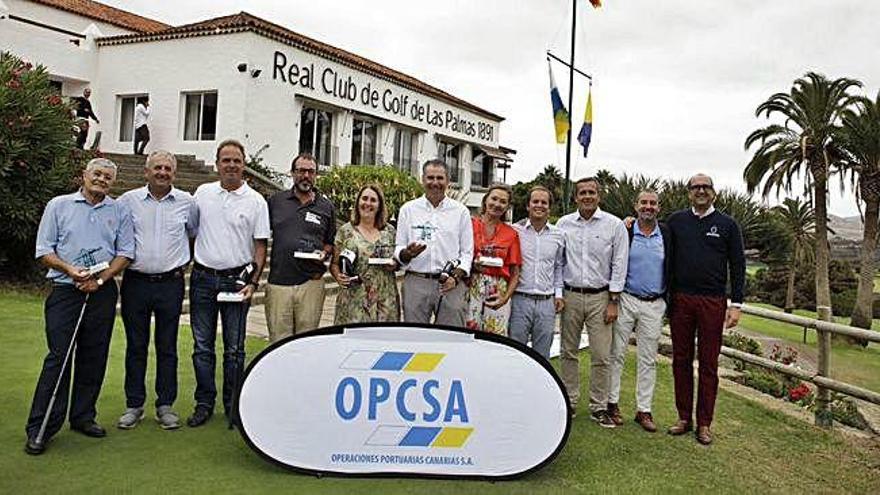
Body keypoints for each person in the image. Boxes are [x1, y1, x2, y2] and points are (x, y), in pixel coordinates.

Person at [25, 158, 134, 455]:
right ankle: (41, 427)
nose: (101, 180)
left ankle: (83, 416)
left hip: (102, 291)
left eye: (107, 177)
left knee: (94, 355)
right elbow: (44, 250)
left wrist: (100, 280)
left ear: (113, 182)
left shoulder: (119, 209)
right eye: (96, 174)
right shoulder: (59, 205)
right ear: (84, 176)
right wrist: (70, 270)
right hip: (65, 289)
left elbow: (125, 252)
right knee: (59, 356)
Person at [187, 139, 269, 428]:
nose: (231, 165)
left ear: (244, 164)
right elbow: (192, 231)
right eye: (226, 160)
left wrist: (254, 283)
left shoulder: (256, 200)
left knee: (235, 350)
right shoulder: (202, 193)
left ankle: (232, 405)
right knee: (202, 347)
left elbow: (260, 247)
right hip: (203, 279)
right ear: (217, 163)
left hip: (237, 281)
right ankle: (204, 403)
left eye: (236, 160)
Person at [116, 150, 198, 431]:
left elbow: (193, 233)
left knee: (167, 347)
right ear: (146, 171)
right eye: (157, 168)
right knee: (136, 346)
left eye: (168, 169)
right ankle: (134, 404)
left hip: (170, 284)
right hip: (136, 283)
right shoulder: (128, 201)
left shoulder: (187, 202)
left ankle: (165, 405)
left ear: (174, 173)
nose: (163, 172)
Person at [666, 174, 745, 445]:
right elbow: (654, 239)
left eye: (705, 187)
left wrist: (736, 304)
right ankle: (684, 418)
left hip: (713, 301)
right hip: (681, 300)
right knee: (681, 361)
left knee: (709, 364)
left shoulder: (727, 225)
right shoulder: (676, 222)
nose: (700, 191)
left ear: (713, 192)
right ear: (688, 193)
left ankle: (705, 423)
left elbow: (738, 266)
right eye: (695, 187)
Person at [556, 177, 628, 426]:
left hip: (601, 297)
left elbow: (620, 263)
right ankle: (569, 401)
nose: (587, 196)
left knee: (601, 355)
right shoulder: (563, 224)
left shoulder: (614, 225)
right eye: (582, 193)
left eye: (591, 192)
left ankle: (598, 406)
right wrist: (558, 294)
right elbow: (559, 262)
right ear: (576, 197)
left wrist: (614, 301)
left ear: (599, 196)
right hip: (570, 295)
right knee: (568, 352)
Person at [607, 191, 672, 432]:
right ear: (635, 206)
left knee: (648, 359)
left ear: (659, 207)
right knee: (617, 354)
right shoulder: (625, 230)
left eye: (652, 203)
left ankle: (643, 410)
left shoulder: (666, 233)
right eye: (644, 202)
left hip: (654, 303)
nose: (648, 207)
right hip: (626, 298)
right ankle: (611, 403)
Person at [265, 153, 336, 341]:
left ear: (316, 175)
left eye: (311, 172)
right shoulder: (275, 202)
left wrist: (324, 253)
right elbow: (260, 238)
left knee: (307, 342)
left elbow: (330, 242)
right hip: (279, 283)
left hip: (311, 283)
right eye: (301, 171)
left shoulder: (326, 207)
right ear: (292, 173)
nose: (306, 176)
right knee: (278, 342)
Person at [395, 159, 473, 326]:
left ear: (448, 181)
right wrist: (407, 254)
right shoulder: (408, 210)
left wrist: (455, 277)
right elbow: (399, 247)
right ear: (422, 179)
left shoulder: (461, 212)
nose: (435, 182)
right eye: (430, 178)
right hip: (416, 281)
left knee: (450, 338)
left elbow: (467, 253)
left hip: (450, 284)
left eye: (440, 178)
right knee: (414, 337)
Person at [330, 184, 401, 324]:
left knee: (383, 342)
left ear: (379, 205)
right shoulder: (346, 231)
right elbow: (334, 264)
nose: (368, 203)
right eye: (364, 199)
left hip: (385, 299)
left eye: (373, 200)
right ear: (358, 202)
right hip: (354, 299)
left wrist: (395, 265)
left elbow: (398, 261)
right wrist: (338, 276)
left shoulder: (390, 232)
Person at [509, 186, 565, 359]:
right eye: (535, 201)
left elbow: (558, 266)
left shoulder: (559, 235)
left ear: (549, 207)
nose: (539, 205)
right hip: (520, 300)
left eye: (544, 202)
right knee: (516, 352)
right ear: (528, 206)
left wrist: (558, 294)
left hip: (546, 303)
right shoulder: (514, 232)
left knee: (542, 356)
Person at [465, 184, 521, 334]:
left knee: (495, 338)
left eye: (503, 202)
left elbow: (515, 273)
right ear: (485, 200)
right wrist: (472, 265)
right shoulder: (469, 225)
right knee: (468, 334)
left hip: (498, 289)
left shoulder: (511, 234)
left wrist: (504, 298)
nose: (497, 204)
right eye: (494, 199)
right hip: (470, 286)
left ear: (507, 207)